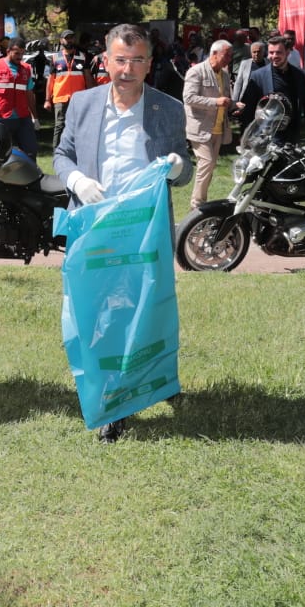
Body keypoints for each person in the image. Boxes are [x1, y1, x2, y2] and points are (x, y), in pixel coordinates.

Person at [53, 23, 192, 443]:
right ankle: (111, 403)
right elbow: (62, 154)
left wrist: (177, 167)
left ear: (149, 64)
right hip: (95, 225)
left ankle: (149, 382)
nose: (126, 70)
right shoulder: (81, 103)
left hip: (143, 230)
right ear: (105, 61)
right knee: (98, 313)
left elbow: (182, 166)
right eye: (119, 60)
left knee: (144, 309)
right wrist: (77, 182)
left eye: (136, 61)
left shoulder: (168, 108)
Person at [239, 33, 305, 144]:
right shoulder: (258, 76)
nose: (274, 56)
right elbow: (248, 108)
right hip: (266, 134)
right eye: (271, 52)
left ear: (287, 52)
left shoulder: (299, 75)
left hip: (291, 133)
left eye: (278, 52)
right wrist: (248, 135)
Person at [182, 39, 233, 209]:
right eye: (226, 55)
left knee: (209, 168)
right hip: (200, 128)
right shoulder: (196, 72)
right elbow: (189, 98)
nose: (229, 59)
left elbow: (225, 99)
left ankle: (200, 202)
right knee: (207, 162)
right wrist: (216, 101)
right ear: (214, 53)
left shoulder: (225, 75)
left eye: (230, 56)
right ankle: (197, 206)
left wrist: (234, 104)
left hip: (217, 129)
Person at [0, 36, 38, 155]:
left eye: (22, 53)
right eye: (16, 53)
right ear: (8, 51)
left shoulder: (26, 68)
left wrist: (35, 117)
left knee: (30, 152)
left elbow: (29, 93)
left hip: (22, 117)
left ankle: (30, 173)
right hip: (1, 117)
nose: (20, 57)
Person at [43, 30, 89, 149]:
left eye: (71, 38)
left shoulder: (83, 56)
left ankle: (78, 151)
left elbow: (88, 77)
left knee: (79, 125)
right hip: (60, 97)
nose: (69, 40)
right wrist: (47, 99)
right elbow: (50, 80)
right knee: (60, 125)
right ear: (61, 40)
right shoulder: (55, 57)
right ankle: (57, 151)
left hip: (79, 98)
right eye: (66, 38)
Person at [230, 39, 266, 129]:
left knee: (262, 123)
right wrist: (235, 101)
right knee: (246, 123)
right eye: (254, 52)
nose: (256, 54)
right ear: (250, 52)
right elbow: (239, 82)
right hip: (247, 98)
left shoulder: (268, 63)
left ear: (263, 52)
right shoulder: (245, 63)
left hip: (263, 99)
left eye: (259, 52)